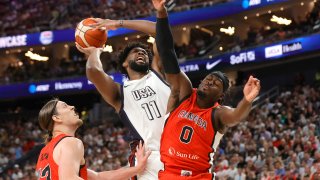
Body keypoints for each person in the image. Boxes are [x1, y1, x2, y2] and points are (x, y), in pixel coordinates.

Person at [152, 0, 261, 179]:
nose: (209, 82)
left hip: (197, 176)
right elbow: (168, 54)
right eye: (208, 79)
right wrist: (161, 13)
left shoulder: (218, 114)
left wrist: (247, 100)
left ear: (221, 95)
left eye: (216, 84)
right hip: (168, 173)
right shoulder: (185, 93)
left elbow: (236, 117)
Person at [76, 19, 170, 179]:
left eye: (144, 52)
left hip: (179, 150)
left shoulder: (158, 73)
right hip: (148, 159)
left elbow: (159, 30)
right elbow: (93, 70)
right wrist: (95, 52)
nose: (141, 53)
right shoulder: (119, 93)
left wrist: (119, 23)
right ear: (125, 63)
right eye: (135, 52)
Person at [36, 98, 151, 180]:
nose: (72, 107)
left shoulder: (45, 151)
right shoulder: (70, 142)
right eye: (65, 106)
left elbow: (98, 177)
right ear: (56, 118)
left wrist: (137, 168)